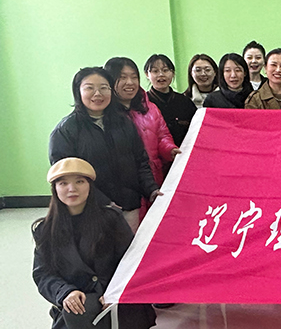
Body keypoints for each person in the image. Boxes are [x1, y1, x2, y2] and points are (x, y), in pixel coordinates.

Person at [32, 158, 156, 329]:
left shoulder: (110, 219)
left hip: (113, 302)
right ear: (55, 189)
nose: (72, 189)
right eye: (63, 183)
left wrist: (114, 291)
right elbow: (42, 273)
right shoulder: (45, 229)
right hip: (78, 304)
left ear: (90, 185)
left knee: (82, 314)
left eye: (79, 181)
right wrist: (64, 292)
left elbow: (130, 261)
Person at [49, 67, 160, 233]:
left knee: (130, 247)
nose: (98, 94)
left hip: (129, 205)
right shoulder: (66, 131)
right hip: (91, 209)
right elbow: (65, 175)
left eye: (103, 88)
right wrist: (104, 201)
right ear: (78, 91)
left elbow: (140, 160)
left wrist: (152, 189)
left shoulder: (124, 123)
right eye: (89, 88)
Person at [105, 57, 179, 189]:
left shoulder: (150, 108)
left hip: (154, 178)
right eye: (122, 78)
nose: (130, 82)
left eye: (134, 77)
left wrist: (170, 150)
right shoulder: (104, 114)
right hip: (123, 185)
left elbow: (162, 136)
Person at [144, 54, 196, 147]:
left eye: (165, 70)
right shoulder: (143, 102)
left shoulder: (185, 102)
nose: (161, 74)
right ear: (147, 74)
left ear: (173, 73)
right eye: (155, 71)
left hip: (183, 151)